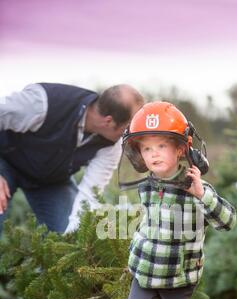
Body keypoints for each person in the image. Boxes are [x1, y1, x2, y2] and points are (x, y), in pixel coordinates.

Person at [113, 102, 236, 299]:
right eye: (146, 148)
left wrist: (202, 194)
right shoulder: (147, 185)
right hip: (146, 269)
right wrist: (134, 252)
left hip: (181, 273)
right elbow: (149, 225)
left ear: (182, 149)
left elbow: (227, 221)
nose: (153, 154)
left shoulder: (195, 187)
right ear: (137, 154)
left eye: (161, 146)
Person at [0, 82, 144, 234]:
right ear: (108, 121)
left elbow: (90, 192)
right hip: (6, 161)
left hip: (51, 181)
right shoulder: (40, 103)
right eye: (127, 129)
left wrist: (74, 241)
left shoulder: (112, 144)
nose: (129, 137)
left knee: (70, 235)